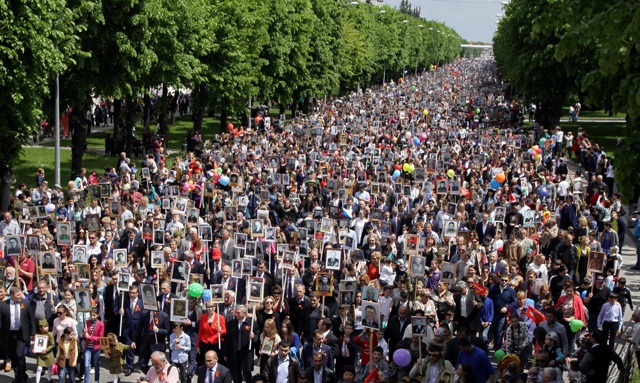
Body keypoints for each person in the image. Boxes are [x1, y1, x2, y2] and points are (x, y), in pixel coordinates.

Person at [0, 286, 34, 383]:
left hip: (21, 333)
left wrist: (33, 333)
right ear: (11, 296)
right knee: (13, 355)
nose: (20, 296)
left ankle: (22, 376)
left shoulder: (25, 303)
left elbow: (31, 319)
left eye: (21, 294)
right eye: (18, 295)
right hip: (9, 334)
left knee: (19, 354)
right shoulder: (3, 305)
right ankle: (18, 376)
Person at [223, 305, 260, 383]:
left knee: (247, 374)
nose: (236, 315)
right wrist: (225, 353)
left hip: (246, 353)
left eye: (238, 313)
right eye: (236, 313)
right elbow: (227, 339)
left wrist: (254, 337)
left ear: (244, 314)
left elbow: (257, 337)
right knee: (236, 375)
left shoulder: (252, 323)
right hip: (234, 353)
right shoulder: (231, 323)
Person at [82, 308, 104, 383]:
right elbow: (84, 336)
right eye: (91, 315)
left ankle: (96, 380)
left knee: (96, 364)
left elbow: (100, 338)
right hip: (88, 347)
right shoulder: (87, 322)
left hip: (96, 347)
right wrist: (84, 333)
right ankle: (86, 381)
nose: (92, 317)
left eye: (94, 315)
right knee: (86, 365)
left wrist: (90, 337)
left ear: (97, 315)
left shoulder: (101, 324)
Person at [33, 318, 55, 383]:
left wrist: (46, 349)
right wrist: (35, 349)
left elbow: (52, 344)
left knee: (49, 367)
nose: (46, 328)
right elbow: (36, 344)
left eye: (47, 326)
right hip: (40, 354)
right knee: (39, 368)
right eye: (44, 327)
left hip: (48, 354)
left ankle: (49, 379)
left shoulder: (50, 334)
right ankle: (37, 381)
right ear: (40, 328)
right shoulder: (37, 335)